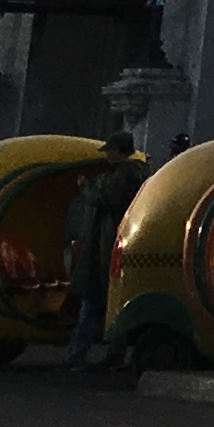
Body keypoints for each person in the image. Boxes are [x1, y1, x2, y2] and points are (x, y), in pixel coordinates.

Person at [61, 130, 142, 370]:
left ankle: (77, 356)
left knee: (92, 303)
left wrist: (86, 188)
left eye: (110, 151)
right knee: (112, 302)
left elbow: (107, 200)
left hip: (106, 249)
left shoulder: (124, 174)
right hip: (112, 247)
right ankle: (113, 353)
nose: (107, 156)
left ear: (117, 151)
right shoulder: (136, 172)